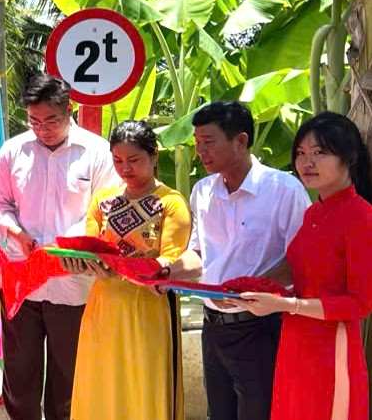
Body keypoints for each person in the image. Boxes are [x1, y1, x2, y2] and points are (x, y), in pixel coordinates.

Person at [170, 101, 310, 420]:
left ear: (241, 141)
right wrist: (167, 272)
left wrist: (251, 290)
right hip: (213, 324)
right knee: (218, 412)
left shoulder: (284, 190)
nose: (201, 152)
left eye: (209, 142)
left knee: (259, 412)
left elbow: (301, 260)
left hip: (260, 326)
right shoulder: (203, 191)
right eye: (197, 143)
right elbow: (199, 254)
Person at [0, 74, 118, 420]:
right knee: (19, 374)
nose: (42, 129)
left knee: (70, 375)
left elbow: (105, 211)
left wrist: (62, 246)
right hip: (22, 283)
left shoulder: (97, 153)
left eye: (51, 121)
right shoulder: (12, 151)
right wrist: (14, 230)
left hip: (73, 287)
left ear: (69, 109)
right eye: (34, 121)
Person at [232, 112, 372, 420]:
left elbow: (359, 304)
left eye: (319, 153)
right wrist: (246, 290)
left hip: (330, 347)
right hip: (295, 341)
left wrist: (288, 305)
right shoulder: (313, 214)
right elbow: (299, 272)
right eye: (301, 153)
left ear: (348, 157)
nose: (307, 162)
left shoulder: (361, 217)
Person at [63, 120, 191, 420]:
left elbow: (172, 258)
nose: (125, 168)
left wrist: (134, 271)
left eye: (134, 160)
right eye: (118, 160)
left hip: (149, 307)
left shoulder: (170, 203)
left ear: (154, 156)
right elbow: (91, 245)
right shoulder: (103, 200)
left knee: (142, 382)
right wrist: (80, 263)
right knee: (101, 381)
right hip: (103, 306)